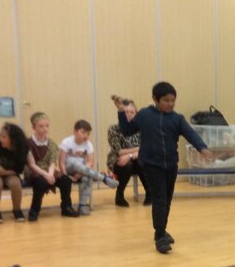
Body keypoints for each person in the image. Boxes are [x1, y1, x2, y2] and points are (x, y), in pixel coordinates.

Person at [113, 82, 212, 254]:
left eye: (173, 100)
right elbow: (127, 130)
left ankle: (162, 229)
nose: (170, 103)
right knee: (160, 199)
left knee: (167, 198)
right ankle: (160, 236)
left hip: (171, 164)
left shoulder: (177, 118)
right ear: (155, 99)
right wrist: (121, 111)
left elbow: (191, 133)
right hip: (152, 164)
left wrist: (202, 147)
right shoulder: (144, 115)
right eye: (166, 100)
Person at [24, 112, 79, 221]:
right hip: (34, 170)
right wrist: (46, 175)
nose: (45, 129)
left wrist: (50, 174)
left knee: (65, 180)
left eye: (47, 126)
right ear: (34, 127)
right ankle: (34, 210)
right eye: (41, 126)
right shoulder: (28, 143)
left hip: (48, 170)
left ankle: (66, 207)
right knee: (41, 183)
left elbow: (52, 162)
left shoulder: (51, 143)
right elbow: (32, 164)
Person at [59, 120, 119, 216]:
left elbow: (90, 163)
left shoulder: (88, 144)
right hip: (68, 169)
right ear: (75, 131)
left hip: (83, 171)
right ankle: (104, 179)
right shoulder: (66, 142)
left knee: (87, 177)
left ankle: (82, 206)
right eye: (83, 132)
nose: (85, 136)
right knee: (75, 163)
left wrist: (81, 174)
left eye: (88, 133)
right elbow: (61, 162)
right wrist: (65, 176)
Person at [106, 99, 151, 207]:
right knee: (127, 164)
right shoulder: (114, 128)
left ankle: (150, 193)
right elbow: (118, 151)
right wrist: (137, 149)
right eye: (126, 112)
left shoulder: (143, 128)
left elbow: (147, 148)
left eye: (132, 112)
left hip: (139, 158)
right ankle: (119, 195)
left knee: (141, 161)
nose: (129, 114)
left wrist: (130, 155)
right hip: (119, 160)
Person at [0, 123, 29, 223]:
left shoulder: (22, 149)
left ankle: (17, 209)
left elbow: (18, 170)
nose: (0, 139)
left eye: (4, 137)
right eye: (0, 136)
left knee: (16, 184)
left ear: (13, 139)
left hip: (10, 173)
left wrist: (2, 172)